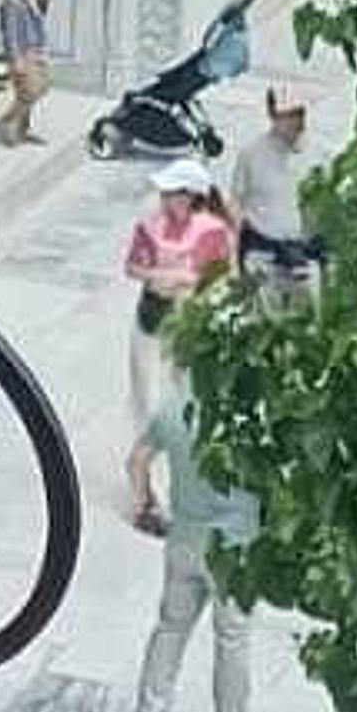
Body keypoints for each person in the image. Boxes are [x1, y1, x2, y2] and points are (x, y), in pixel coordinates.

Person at [131, 257, 271, 712]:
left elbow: (137, 460)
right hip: (234, 547)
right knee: (231, 639)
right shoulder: (247, 414)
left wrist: (147, 503)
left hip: (183, 540)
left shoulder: (172, 410)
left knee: (169, 628)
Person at [117, 160, 235, 535]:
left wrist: (190, 282)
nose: (166, 200)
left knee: (182, 410)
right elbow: (132, 267)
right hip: (152, 325)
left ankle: (159, 482)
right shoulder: (150, 228)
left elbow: (223, 276)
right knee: (150, 405)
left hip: (189, 331)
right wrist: (155, 276)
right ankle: (144, 488)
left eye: (173, 193)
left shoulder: (213, 232)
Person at [220, 81, 322, 283]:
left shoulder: (316, 154)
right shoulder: (251, 154)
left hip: (305, 247)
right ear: (273, 116)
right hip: (264, 246)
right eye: (288, 114)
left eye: (299, 113)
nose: (296, 121)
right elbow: (235, 205)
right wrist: (233, 263)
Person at [0, 0, 52, 148]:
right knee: (29, 91)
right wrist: (15, 58)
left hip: (36, 50)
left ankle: (22, 127)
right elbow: (10, 33)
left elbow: (40, 17)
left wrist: (42, 0)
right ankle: (7, 122)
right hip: (23, 54)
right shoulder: (12, 2)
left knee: (40, 87)